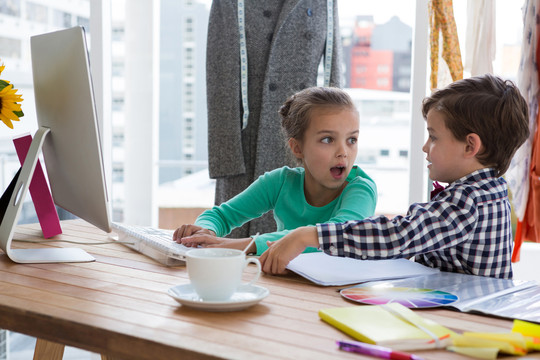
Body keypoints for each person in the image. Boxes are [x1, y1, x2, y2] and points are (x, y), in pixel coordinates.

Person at [259, 74, 530, 279]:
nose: (425, 147)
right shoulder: (490, 190)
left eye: (433, 137)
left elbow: (398, 235)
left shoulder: (468, 202)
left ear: (470, 146)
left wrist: (308, 235)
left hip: (467, 323)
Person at [173, 87, 377, 256]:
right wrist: (205, 231)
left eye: (352, 140)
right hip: (285, 281)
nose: (344, 152)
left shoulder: (361, 190)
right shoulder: (280, 182)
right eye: (327, 139)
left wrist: (243, 245)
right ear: (297, 148)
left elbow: (333, 236)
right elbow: (222, 215)